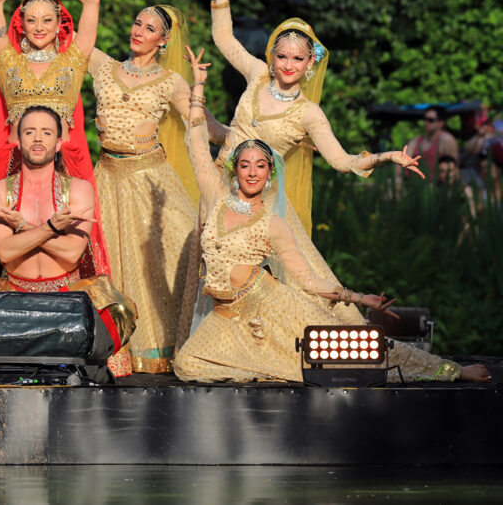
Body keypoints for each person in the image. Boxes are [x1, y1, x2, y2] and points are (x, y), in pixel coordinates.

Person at [173, 48, 489, 384]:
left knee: (352, 351)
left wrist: (358, 297)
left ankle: (450, 370)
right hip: (225, 318)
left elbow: (307, 280)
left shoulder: (272, 223)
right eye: (246, 165)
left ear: (270, 174)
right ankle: (268, 367)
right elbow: (197, 142)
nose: (252, 172)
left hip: (272, 307)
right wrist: (199, 86)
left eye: (261, 166)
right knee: (186, 365)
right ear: (235, 169)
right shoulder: (216, 197)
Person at [201, 0, 424, 237]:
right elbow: (223, 37)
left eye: (297, 59)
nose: (288, 65)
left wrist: (386, 157)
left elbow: (342, 161)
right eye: (282, 56)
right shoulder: (257, 75)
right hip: (214, 193)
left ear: (309, 64)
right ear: (272, 57)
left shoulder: (309, 113)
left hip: (254, 212)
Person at [87, 5, 227, 373]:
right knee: (107, 265)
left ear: (163, 40)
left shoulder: (171, 81)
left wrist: (249, 135)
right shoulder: (103, 66)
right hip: (106, 179)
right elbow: (68, 38)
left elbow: (206, 126)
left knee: (167, 260)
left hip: (149, 181)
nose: (139, 31)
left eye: (150, 28)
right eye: (137, 23)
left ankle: (166, 348)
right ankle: (112, 347)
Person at [0, 106, 137, 376]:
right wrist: (52, 228)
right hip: (15, 294)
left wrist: (24, 227)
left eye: (46, 132)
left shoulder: (79, 189)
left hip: (66, 296)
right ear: (18, 141)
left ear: (59, 143)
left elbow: (72, 253)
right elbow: (5, 251)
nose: (38, 138)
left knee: (117, 309)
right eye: (30, 132)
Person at [0, 0, 110, 277]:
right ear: (20, 24)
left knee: (72, 255)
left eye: (48, 20)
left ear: (59, 24)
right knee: (8, 256)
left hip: (66, 165)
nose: (39, 27)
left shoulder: (75, 60)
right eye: (32, 20)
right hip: (14, 166)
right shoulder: (6, 59)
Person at [404, 105, 460, 182]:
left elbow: (454, 169)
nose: (426, 122)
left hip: (436, 185)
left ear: (441, 123)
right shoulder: (415, 141)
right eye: (425, 119)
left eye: (431, 120)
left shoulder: (447, 140)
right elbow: (402, 161)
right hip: (414, 184)